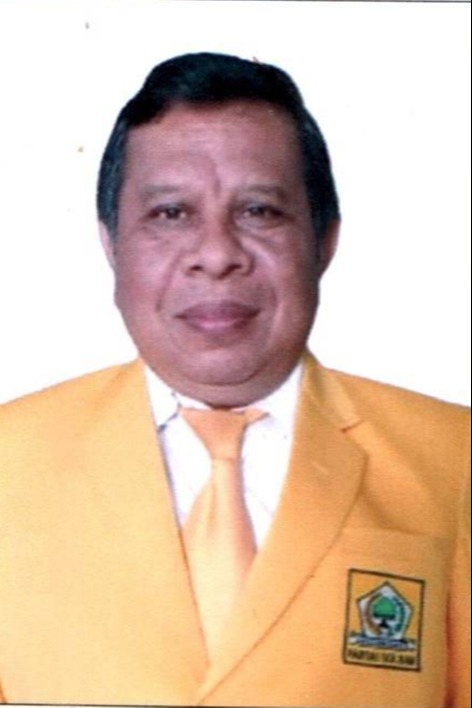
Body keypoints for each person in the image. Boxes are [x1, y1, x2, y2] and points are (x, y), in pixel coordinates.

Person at [0, 52, 469, 708]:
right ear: (111, 244)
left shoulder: (454, 459)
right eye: (171, 213)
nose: (217, 255)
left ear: (324, 240)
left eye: (259, 211)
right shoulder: (10, 459)